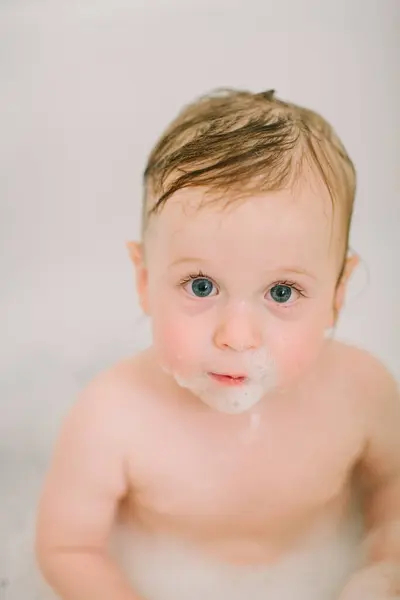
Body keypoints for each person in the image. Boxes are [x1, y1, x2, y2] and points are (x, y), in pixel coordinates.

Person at [35, 88, 400, 600]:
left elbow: (392, 491)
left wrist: (382, 567)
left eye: (281, 292)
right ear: (143, 280)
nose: (236, 337)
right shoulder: (112, 415)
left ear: (338, 295)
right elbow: (69, 549)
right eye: (201, 286)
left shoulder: (363, 394)